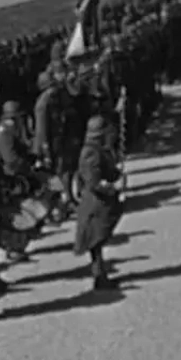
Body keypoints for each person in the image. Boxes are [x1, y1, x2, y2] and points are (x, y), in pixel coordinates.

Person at [74, 114, 126, 292]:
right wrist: (113, 186)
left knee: (99, 243)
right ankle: (99, 276)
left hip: (100, 203)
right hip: (95, 205)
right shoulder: (91, 152)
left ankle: (100, 275)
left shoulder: (98, 149)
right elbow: (94, 182)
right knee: (95, 242)